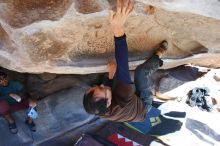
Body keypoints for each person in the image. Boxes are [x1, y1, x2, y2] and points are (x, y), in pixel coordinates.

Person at [83, 0, 168, 122]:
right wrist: (118, 28)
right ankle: (159, 55)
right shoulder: (124, 97)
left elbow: (105, 90)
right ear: (108, 103)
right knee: (140, 73)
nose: (102, 85)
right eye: (102, 88)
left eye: (97, 86)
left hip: (129, 109)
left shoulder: (98, 109)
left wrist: (110, 77)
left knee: (113, 77)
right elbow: (122, 62)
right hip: (143, 106)